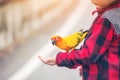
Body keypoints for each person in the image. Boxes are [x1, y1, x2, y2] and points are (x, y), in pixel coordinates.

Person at [39, 0, 120, 80]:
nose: (92, 1)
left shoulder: (106, 20)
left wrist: (58, 59)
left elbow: (88, 54)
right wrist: (86, 68)